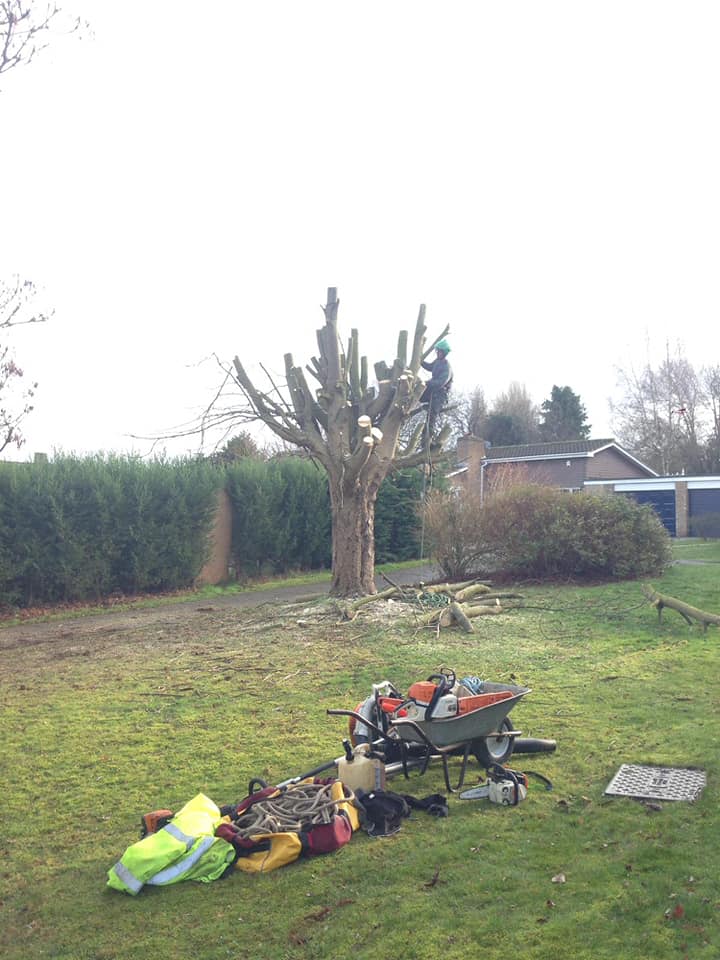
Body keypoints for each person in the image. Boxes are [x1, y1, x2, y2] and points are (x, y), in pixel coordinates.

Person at [419, 338, 453, 436]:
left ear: (444, 353)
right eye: (437, 351)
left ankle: (428, 438)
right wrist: (420, 360)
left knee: (431, 417)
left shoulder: (446, 367)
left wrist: (427, 383)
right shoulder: (437, 362)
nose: (437, 353)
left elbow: (440, 383)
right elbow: (429, 367)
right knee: (417, 393)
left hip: (440, 395)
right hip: (432, 391)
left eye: (439, 351)